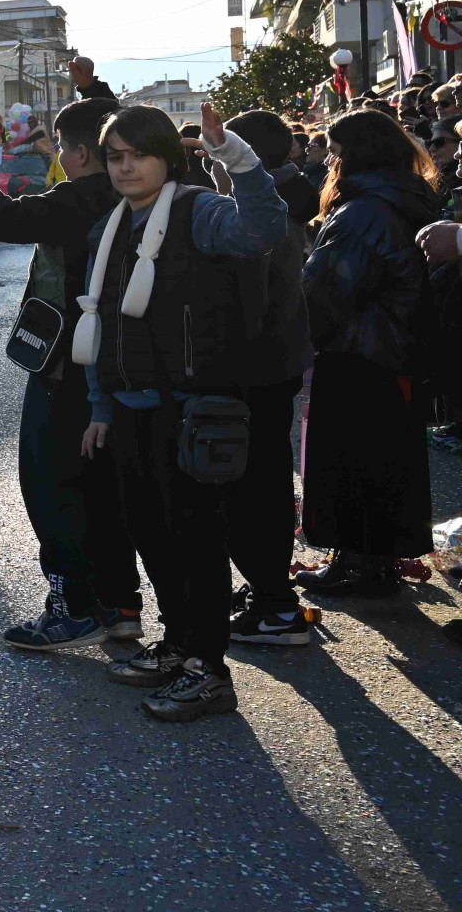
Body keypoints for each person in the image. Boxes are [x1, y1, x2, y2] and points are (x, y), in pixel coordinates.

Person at [79, 101, 286, 722]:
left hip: (194, 410)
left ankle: (209, 670)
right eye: (115, 156)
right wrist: (99, 406)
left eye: (138, 155)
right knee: (153, 535)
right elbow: (101, 320)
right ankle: (177, 647)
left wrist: (237, 158)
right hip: (130, 409)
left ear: (167, 157)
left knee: (195, 539)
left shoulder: (199, 211)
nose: (125, 167)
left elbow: (263, 229)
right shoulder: (108, 229)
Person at [0, 96, 143, 650]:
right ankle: (121, 605)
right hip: (128, 364)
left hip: (69, 366)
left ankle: (74, 606)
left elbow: (4, 219)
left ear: (82, 152)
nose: (60, 156)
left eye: (63, 147)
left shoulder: (79, 196)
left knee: (51, 483)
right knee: (108, 490)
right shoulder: (147, 196)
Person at [295, 110, 440, 599]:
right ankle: (375, 562)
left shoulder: (363, 210)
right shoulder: (406, 194)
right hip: (395, 349)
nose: (330, 160)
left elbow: (327, 290)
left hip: (361, 349)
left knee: (351, 462)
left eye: (335, 150)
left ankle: (354, 562)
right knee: (387, 461)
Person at [215, 112, 317, 643]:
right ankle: (270, 591)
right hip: (279, 358)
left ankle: (274, 603)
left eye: (221, 153)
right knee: (268, 480)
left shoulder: (257, 207)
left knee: (252, 487)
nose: (213, 166)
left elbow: (247, 301)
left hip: (256, 365)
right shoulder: (286, 193)